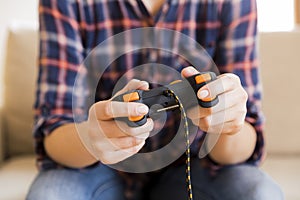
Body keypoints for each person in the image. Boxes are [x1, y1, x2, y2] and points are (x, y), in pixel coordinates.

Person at [27, 0, 283, 199]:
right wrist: (92, 138)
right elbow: (53, 131)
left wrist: (226, 121)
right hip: (97, 169)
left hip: (195, 167)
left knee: (259, 193)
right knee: (50, 194)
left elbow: (246, 138)